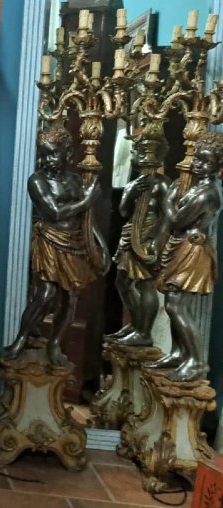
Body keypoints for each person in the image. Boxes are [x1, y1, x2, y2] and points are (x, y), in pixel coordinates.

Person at [4, 126, 104, 366]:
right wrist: (87, 200)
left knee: (70, 298)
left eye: (53, 154)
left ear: (67, 153)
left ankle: (55, 344)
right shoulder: (37, 181)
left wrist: (100, 247)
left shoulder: (76, 181)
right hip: (50, 240)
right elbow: (55, 212)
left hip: (75, 243)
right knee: (45, 294)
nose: (48, 160)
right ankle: (21, 339)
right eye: (44, 154)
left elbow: (87, 221)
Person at [145, 133, 223, 381]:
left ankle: (197, 362)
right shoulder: (197, 185)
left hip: (192, 251)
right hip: (183, 246)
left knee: (176, 306)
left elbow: (178, 220)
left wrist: (168, 199)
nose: (199, 165)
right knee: (173, 303)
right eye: (198, 160)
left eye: (207, 162)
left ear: (218, 167)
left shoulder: (208, 193)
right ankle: (179, 353)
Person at [107, 128, 170, 347]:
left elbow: (168, 217)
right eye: (140, 151)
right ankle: (135, 324)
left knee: (145, 284)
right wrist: (129, 193)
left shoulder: (162, 184)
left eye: (149, 151)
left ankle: (144, 333)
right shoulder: (134, 183)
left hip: (149, 236)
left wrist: (156, 242)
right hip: (130, 232)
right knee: (122, 281)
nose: (143, 157)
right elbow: (124, 211)